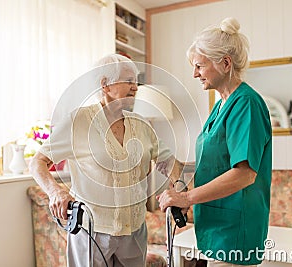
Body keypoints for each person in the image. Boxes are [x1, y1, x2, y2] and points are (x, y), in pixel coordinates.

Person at [29, 53, 183, 267]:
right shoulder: (78, 121)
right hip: (92, 230)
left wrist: (178, 186)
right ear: (105, 84)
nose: (136, 87)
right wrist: (55, 191)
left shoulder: (142, 125)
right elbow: (37, 162)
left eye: (136, 81)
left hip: (135, 230)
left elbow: (167, 161)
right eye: (129, 80)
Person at [157, 17, 272, 267]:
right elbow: (214, 164)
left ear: (225, 63)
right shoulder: (220, 105)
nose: (194, 73)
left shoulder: (246, 104)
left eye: (199, 65)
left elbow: (244, 174)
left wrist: (187, 199)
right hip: (217, 227)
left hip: (235, 231)